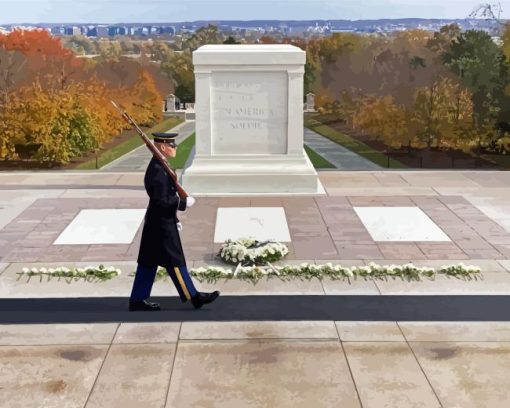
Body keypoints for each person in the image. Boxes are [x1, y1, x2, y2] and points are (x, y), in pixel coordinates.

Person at [129, 132, 220, 311]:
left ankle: (138, 299)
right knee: (175, 262)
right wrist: (183, 203)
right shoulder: (157, 170)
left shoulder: (160, 165)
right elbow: (161, 200)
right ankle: (194, 297)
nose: (175, 147)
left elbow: (164, 198)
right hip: (161, 226)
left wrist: (175, 217)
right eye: (172, 145)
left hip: (158, 222)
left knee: (148, 261)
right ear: (162, 147)